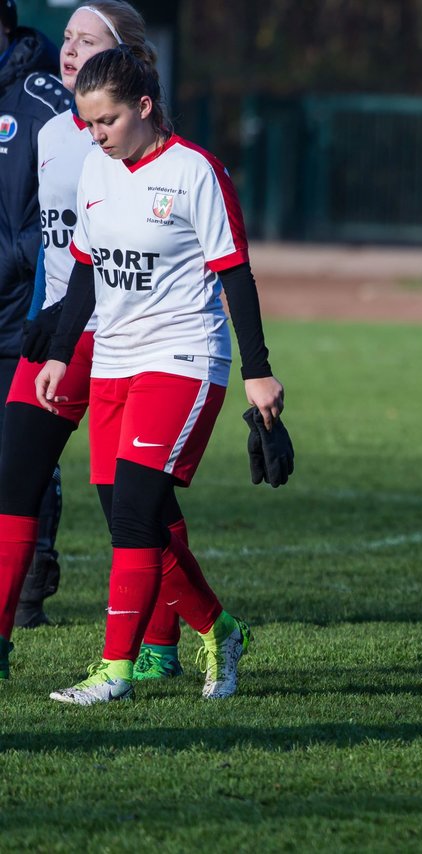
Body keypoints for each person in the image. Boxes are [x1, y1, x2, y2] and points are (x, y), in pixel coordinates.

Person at [33, 43, 283, 703]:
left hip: (183, 357)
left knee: (135, 513)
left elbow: (236, 272)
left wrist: (258, 372)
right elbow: (86, 269)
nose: (96, 135)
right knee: (130, 509)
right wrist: (61, 353)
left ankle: (115, 670)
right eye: (88, 124)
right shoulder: (95, 169)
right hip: (113, 359)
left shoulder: (197, 172)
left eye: (108, 121)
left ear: (144, 106)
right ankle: (222, 630)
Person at [0, 4, 191, 687]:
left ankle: (165, 643)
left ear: (124, 59)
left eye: (88, 40)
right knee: (12, 479)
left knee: (133, 509)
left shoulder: (150, 146)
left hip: (126, 344)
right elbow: (55, 244)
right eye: (69, 38)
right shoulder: (52, 133)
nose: (70, 49)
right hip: (57, 339)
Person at [0, 0, 69, 635]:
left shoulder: (42, 99)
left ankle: (28, 590)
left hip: (22, 309)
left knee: (20, 451)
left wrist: (13, 260)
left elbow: (66, 211)